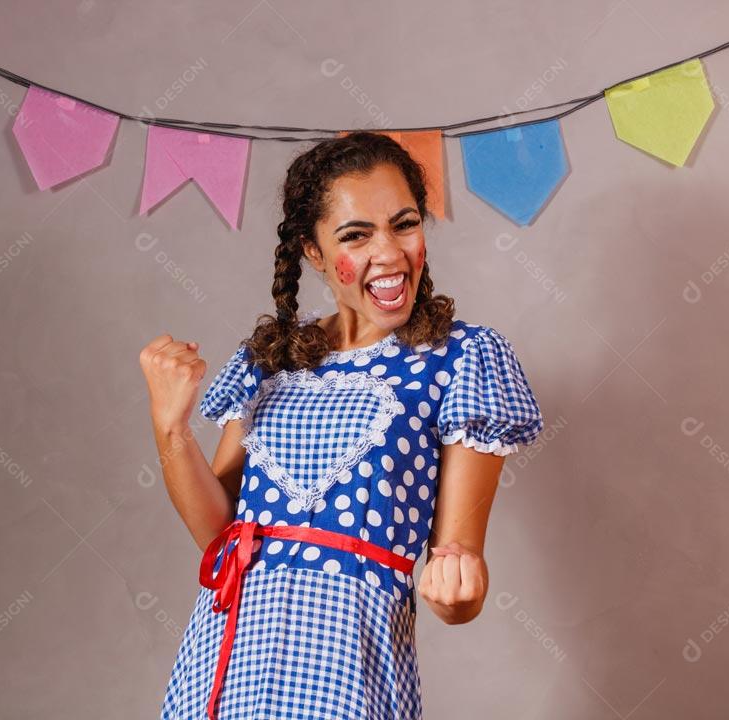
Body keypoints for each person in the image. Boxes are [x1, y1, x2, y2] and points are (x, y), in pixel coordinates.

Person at [139, 131, 545, 720]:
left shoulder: (462, 359)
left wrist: (458, 587)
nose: (389, 253)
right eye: (357, 235)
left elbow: (458, 572)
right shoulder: (272, 357)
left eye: (404, 224)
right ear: (314, 251)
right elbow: (219, 535)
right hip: (228, 662)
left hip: (349, 670)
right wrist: (170, 427)